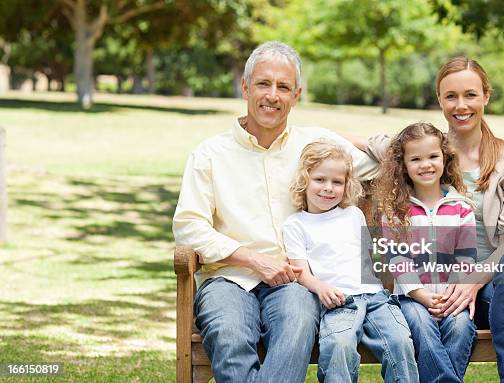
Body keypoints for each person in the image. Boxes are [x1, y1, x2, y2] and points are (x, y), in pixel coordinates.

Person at [172, 41, 379, 383]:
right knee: (229, 335)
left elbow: (381, 161)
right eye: (263, 84)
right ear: (245, 88)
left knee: (298, 322)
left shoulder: (314, 146)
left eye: (283, 87)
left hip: (294, 281)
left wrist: (351, 139)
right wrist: (253, 259)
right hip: (228, 277)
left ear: (296, 96)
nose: (272, 95)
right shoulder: (209, 154)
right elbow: (189, 227)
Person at [363, 57, 504, 383]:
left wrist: (472, 279)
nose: (461, 105)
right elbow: (379, 144)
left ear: (486, 96)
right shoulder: (431, 155)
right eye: (451, 96)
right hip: (484, 293)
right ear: (440, 99)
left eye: (470, 94)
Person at [282, 141, 418, 383]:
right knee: (339, 346)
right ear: (305, 180)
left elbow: (371, 254)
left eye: (337, 182)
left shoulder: (353, 214)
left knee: (399, 341)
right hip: (338, 302)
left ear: (346, 186)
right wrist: (320, 288)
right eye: (320, 180)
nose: (328, 188)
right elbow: (300, 271)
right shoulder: (296, 224)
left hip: (376, 298)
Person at [373, 122, 478, 382]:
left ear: (445, 158)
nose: (426, 164)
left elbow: (465, 258)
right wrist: (422, 296)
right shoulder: (396, 211)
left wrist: (450, 295)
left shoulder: (461, 208)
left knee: (461, 326)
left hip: (452, 296)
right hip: (411, 298)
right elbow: (397, 261)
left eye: (433, 156)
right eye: (416, 159)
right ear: (403, 165)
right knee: (420, 324)